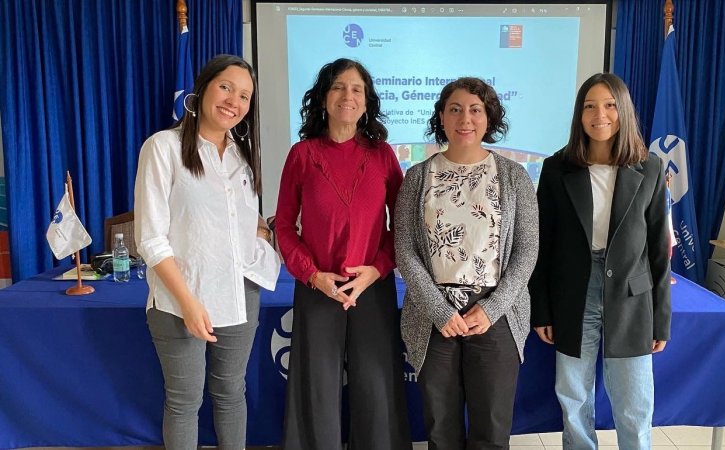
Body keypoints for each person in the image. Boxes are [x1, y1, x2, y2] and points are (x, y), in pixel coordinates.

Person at [134, 54, 280, 450]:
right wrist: (188, 303)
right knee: (184, 401)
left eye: (245, 95)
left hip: (239, 292)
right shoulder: (163, 148)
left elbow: (246, 218)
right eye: (227, 87)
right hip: (181, 298)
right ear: (202, 89)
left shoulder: (242, 154)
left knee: (232, 392)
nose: (235, 100)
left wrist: (263, 236)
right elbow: (150, 238)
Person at [395, 77, 539, 450]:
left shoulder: (514, 177)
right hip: (433, 318)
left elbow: (526, 252)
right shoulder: (417, 177)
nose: (465, 118)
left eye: (476, 110)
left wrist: (491, 309)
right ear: (441, 117)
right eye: (455, 109)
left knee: (490, 429)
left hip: (496, 316)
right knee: (441, 429)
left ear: (488, 118)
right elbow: (406, 251)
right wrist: (439, 311)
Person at [529, 73, 671, 450]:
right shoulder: (558, 168)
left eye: (609, 105)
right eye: (590, 106)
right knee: (574, 397)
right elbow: (543, 245)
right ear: (579, 114)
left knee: (635, 402)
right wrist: (541, 310)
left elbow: (658, 250)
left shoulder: (650, 168)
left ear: (623, 111)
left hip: (631, 296)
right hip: (573, 292)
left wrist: (661, 318)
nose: (600, 114)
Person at [275, 58, 411, 450]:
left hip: (372, 288)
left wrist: (377, 270)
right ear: (323, 98)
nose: (347, 95)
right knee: (316, 389)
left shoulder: (383, 155)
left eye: (356, 89)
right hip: (318, 288)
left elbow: (400, 225)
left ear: (366, 102)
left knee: (376, 386)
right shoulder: (301, 154)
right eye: (338, 87)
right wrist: (312, 274)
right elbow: (284, 226)